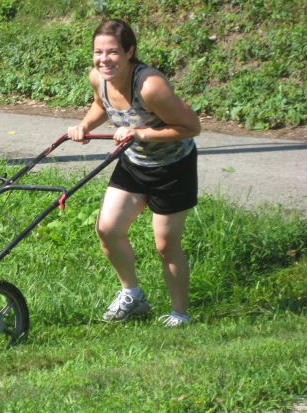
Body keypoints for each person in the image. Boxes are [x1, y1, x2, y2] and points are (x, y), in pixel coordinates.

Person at [67, 19, 201, 327]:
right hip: (134, 163)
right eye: (98, 52)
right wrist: (85, 126)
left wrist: (141, 134)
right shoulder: (98, 78)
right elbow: (102, 105)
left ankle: (179, 313)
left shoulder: (150, 86)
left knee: (166, 246)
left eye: (112, 52)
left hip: (172, 169)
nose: (104, 59)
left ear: (130, 51)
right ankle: (133, 295)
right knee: (108, 229)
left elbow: (191, 127)